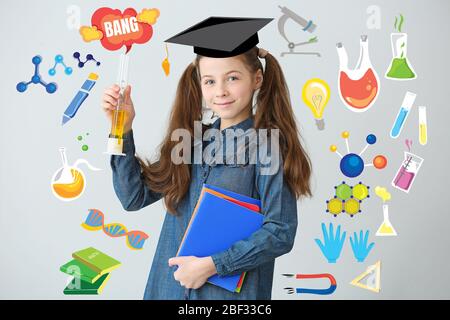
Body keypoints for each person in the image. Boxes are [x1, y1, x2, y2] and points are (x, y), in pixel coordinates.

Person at [101, 17, 312, 300]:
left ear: (256, 79)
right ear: (199, 84)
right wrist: (121, 128)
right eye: (210, 81)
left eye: (233, 78)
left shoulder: (269, 147)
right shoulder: (190, 142)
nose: (220, 91)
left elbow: (280, 231)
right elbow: (133, 197)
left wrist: (213, 265)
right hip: (168, 291)